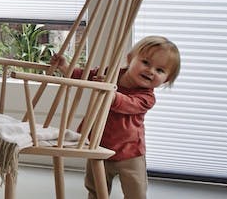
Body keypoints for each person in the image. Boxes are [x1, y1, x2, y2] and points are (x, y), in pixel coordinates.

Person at [50, 35, 181, 199]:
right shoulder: (111, 74)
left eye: (160, 70)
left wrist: (111, 94)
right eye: (146, 62)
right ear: (130, 59)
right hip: (99, 144)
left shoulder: (147, 98)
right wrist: (65, 67)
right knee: (95, 188)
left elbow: (128, 103)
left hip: (130, 152)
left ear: (166, 80)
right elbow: (85, 76)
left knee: (136, 192)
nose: (150, 71)